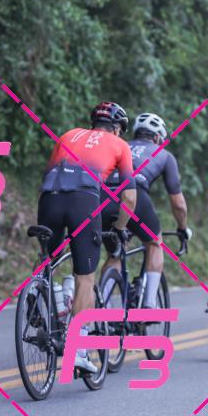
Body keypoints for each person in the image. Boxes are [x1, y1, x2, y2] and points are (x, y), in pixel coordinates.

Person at [38, 102, 136, 373]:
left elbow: (48, 173)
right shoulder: (120, 145)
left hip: (49, 198)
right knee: (85, 276)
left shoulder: (69, 135)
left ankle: (44, 295)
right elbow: (129, 197)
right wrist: (119, 227)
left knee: (47, 259)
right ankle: (78, 350)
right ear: (116, 128)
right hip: (83, 201)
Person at [101, 112, 191, 310]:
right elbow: (178, 203)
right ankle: (149, 303)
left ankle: (102, 307)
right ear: (158, 137)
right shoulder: (164, 155)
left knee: (115, 253)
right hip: (135, 196)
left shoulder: (120, 145)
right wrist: (182, 228)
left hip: (103, 198)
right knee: (154, 243)